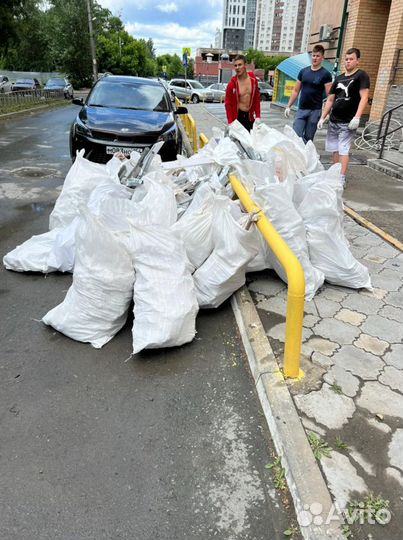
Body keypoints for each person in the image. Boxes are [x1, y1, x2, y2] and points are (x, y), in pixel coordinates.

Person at [318, 47, 370, 184]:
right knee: (334, 149)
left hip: (348, 121)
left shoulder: (361, 76)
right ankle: (334, 174)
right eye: (346, 59)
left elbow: (364, 97)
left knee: (343, 150)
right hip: (334, 120)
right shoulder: (339, 78)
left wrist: (357, 117)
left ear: (357, 61)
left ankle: (341, 177)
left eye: (351, 59)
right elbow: (330, 99)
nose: (348, 62)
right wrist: (323, 116)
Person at [284, 44, 332, 143]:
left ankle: (306, 156)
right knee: (296, 135)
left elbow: (330, 97)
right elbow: (295, 90)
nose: (315, 58)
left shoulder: (326, 74)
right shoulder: (303, 72)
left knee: (308, 138)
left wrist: (325, 115)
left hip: (315, 111)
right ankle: (299, 155)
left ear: (322, 58)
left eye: (318, 56)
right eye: (313, 55)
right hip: (301, 109)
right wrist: (288, 106)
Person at [225, 55, 261, 131]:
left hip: (250, 117)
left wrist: (258, 116)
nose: (237, 67)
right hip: (238, 118)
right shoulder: (232, 84)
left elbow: (256, 98)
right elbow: (228, 104)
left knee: (251, 141)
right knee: (237, 142)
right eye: (235, 65)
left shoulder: (253, 80)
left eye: (240, 65)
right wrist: (230, 122)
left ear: (245, 65)